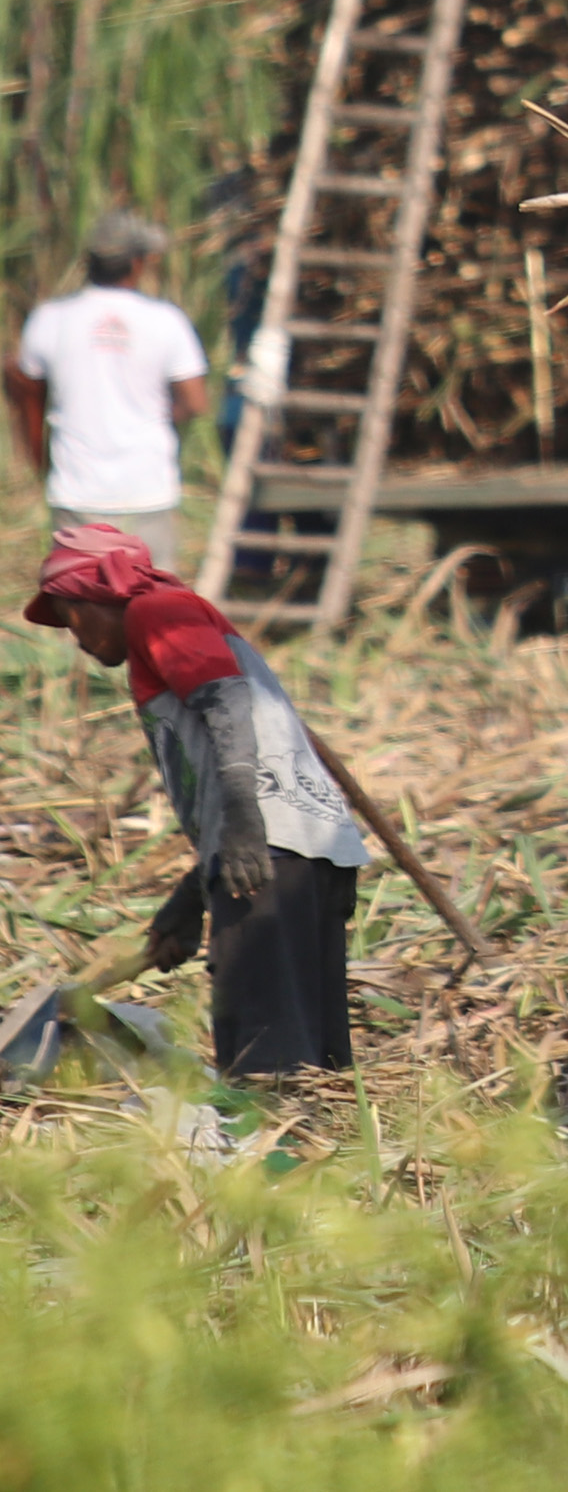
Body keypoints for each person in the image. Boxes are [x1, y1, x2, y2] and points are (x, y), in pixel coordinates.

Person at [26, 524, 370, 1076]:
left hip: (270, 848)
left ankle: (271, 1155)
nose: (77, 637)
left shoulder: (154, 612)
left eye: (70, 615)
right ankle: (314, 1148)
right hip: (308, 848)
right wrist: (190, 904)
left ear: (101, 595)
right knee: (313, 1058)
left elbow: (227, 702)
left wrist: (241, 820)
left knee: (266, 1057)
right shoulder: (181, 621)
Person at [10, 209, 208, 558]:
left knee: (80, 598)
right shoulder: (166, 321)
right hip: (148, 486)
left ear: (89, 262)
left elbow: (26, 394)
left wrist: (41, 462)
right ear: (137, 263)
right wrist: (158, 418)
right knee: (150, 600)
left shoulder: (50, 319)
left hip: (77, 488)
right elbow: (194, 401)